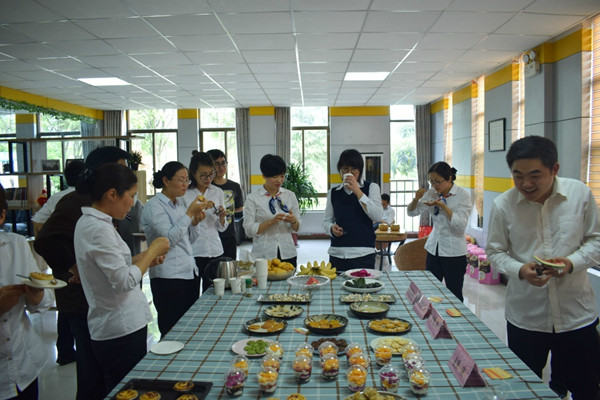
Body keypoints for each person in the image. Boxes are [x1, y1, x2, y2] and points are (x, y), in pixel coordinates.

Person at [486, 136, 600, 400]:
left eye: (535, 175)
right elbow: (494, 251)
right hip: (526, 317)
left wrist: (571, 263)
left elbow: (596, 239)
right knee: (524, 389)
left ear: (554, 169)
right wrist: (520, 270)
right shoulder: (504, 205)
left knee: (586, 388)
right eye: (518, 176)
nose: (526, 184)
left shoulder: (579, 194)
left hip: (576, 316)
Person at [34, 146, 130, 400]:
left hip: (100, 297)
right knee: (92, 372)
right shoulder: (77, 201)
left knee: (105, 370)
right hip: (81, 299)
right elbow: (44, 239)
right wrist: (71, 265)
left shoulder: (103, 201)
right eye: (120, 168)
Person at [73, 163, 169, 398]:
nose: (133, 203)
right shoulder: (97, 229)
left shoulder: (96, 224)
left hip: (121, 323)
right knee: (126, 391)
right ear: (112, 194)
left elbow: (116, 266)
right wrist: (151, 250)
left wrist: (145, 259)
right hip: (119, 329)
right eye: (132, 195)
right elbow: (123, 281)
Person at [141, 161, 206, 338]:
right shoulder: (154, 205)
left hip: (188, 272)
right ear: (166, 180)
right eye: (180, 180)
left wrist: (195, 223)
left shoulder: (180, 204)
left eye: (187, 180)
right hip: (168, 276)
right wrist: (189, 214)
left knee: (189, 327)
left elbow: (189, 240)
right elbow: (168, 239)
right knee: (171, 329)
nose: (185, 185)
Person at [0, 183, 53, 400]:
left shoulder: (16, 245)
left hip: (24, 364)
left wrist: (36, 294)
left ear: (2, 216)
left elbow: (43, 303)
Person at [31, 159, 84, 366]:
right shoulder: (77, 198)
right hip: (73, 259)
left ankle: (65, 350)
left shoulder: (57, 197)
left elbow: (37, 222)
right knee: (76, 305)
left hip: (60, 257)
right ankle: (74, 350)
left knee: (65, 304)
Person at [407, 162, 471, 301]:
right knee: (430, 291)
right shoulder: (432, 193)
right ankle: (432, 315)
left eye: (438, 181)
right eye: (431, 181)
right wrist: (416, 199)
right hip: (433, 248)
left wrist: (443, 206)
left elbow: (460, 225)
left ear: (449, 178)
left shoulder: (462, 195)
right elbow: (412, 212)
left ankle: (454, 316)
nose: (434, 185)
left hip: (454, 252)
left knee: (454, 293)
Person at [322, 149, 383, 272]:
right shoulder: (333, 192)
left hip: (363, 253)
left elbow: (377, 215)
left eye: (354, 170)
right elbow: (326, 221)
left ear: (360, 170)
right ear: (339, 170)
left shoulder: (371, 187)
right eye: (345, 169)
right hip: (337, 253)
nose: (349, 173)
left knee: (364, 284)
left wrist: (358, 191)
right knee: (337, 284)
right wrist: (331, 228)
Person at [182, 151, 228, 293]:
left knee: (215, 293)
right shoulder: (185, 194)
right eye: (203, 175)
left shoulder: (217, 192)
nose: (208, 178)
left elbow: (221, 228)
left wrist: (222, 217)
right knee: (192, 294)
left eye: (211, 174)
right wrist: (199, 209)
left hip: (215, 250)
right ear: (193, 173)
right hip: (194, 250)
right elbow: (182, 224)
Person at [243, 154, 300, 266]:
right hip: (263, 254)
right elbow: (248, 230)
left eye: (282, 176)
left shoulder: (290, 195)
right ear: (264, 175)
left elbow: (297, 228)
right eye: (274, 177)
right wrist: (271, 222)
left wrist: (293, 221)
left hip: (288, 253)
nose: (279, 180)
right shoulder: (253, 198)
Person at [207, 149, 244, 260]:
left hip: (229, 234)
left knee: (229, 265)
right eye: (217, 164)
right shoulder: (207, 187)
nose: (221, 167)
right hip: (211, 235)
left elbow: (239, 207)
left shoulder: (234, 186)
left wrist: (226, 211)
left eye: (223, 163)